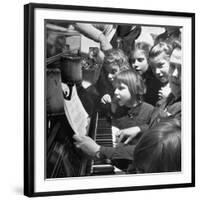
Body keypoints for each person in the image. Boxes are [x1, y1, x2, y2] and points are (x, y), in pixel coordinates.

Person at [73, 69, 154, 171]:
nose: (115, 92)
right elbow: (105, 116)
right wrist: (104, 105)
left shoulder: (149, 110)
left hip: (134, 164)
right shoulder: (116, 106)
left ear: (136, 89)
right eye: (115, 88)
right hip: (117, 156)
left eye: (121, 88)